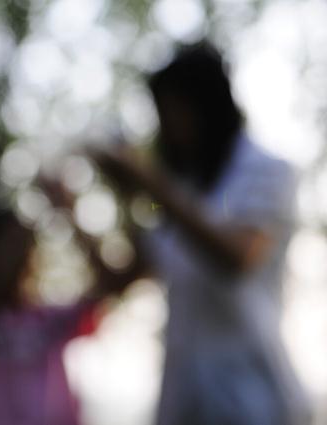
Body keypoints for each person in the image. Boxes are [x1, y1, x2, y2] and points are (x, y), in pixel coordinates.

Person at [87, 42, 311, 425]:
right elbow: (123, 276)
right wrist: (126, 198)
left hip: (254, 400)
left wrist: (149, 182)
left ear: (209, 106)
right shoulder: (181, 191)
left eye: (177, 109)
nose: (169, 124)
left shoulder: (269, 171)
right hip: (185, 399)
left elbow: (236, 257)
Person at [0, 207, 127, 425]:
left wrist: (69, 213)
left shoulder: (50, 319)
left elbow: (113, 285)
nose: (13, 256)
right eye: (4, 246)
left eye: (20, 246)